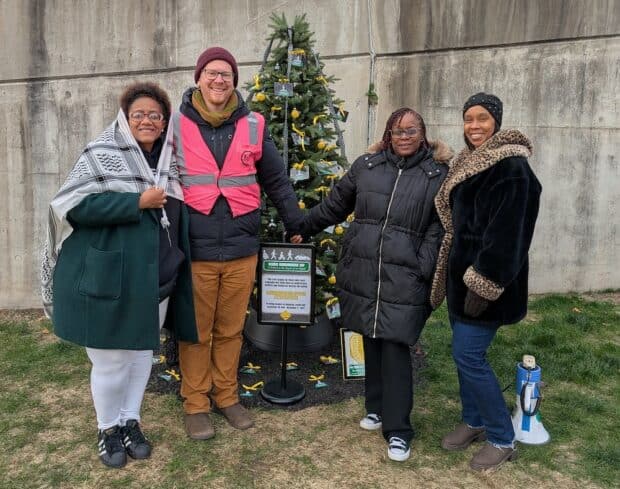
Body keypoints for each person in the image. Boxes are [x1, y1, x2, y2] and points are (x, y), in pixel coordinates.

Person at [41, 82, 198, 468]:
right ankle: (107, 428)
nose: (147, 120)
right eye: (139, 114)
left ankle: (131, 420)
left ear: (164, 123)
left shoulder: (170, 160)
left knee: (143, 355)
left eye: (155, 115)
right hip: (111, 277)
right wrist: (136, 202)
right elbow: (74, 207)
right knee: (110, 361)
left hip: (156, 277)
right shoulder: (101, 153)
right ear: (125, 119)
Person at [298, 108, 451, 461]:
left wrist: (421, 264)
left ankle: (398, 430)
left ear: (423, 134)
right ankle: (376, 407)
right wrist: (301, 226)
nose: (404, 136)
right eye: (397, 130)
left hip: (405, 275)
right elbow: (335, 206)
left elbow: (441, 226)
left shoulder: (437, 174)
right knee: (370, 336)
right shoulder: (367, 167)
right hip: (365, 270)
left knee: (396, 346)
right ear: (388, 133)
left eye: (412, 130)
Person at [172, 47, 304, 439]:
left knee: (230, 329)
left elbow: (277, 180)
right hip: (194, 248)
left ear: (234, 80)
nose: (218, 80)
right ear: (198, 78)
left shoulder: (253, 124)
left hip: (241, 247)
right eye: (212, 73)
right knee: (196, 330)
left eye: (226, 74)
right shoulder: (175, 124)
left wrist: (294, 221)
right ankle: (196, 403)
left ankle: (226, 396)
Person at [430, 93, 542, 471]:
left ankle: (500, 436)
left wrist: (485, 284)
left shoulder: (511, 167)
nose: (474, 126)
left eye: (482, 118)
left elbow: (509, 235)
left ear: (496, 121)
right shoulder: (470, 161)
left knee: (468, 355)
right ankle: (474, 419)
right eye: (468, 119)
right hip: (461, 281)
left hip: (487, 284)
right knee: (464, 357)